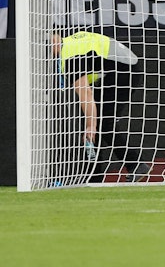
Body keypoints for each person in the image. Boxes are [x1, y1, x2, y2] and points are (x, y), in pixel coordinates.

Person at [52, 31, 151, 183]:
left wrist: (91, 125)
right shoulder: (72, 41)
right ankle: (94, 176)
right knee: (95, 120)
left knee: (101, 123)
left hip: (124, 71)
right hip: (116, 70)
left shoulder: (70, 58)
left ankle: (135, 164)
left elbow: (86, 93)